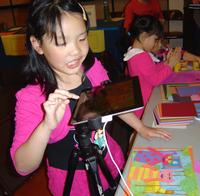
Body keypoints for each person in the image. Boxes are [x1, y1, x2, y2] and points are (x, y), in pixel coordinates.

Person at [10, 1, 171, 196]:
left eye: (82, 38)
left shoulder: (92, 69)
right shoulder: (32, 97)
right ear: (37, 44)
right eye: (62, 42)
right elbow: (22, 166)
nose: (76, 52)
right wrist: (46, 126)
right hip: (74, 184)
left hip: (110, 164)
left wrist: (141, 128)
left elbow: (113, 102)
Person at [123, 15, 181, 118]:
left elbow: (151, 70)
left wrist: (166, 62)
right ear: (144, 36)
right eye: (156, 40)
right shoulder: (141, 57)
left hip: (144, 100)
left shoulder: (135, 53)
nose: (158, 45)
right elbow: (155, 80)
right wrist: (170, 65)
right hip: (145, 105)